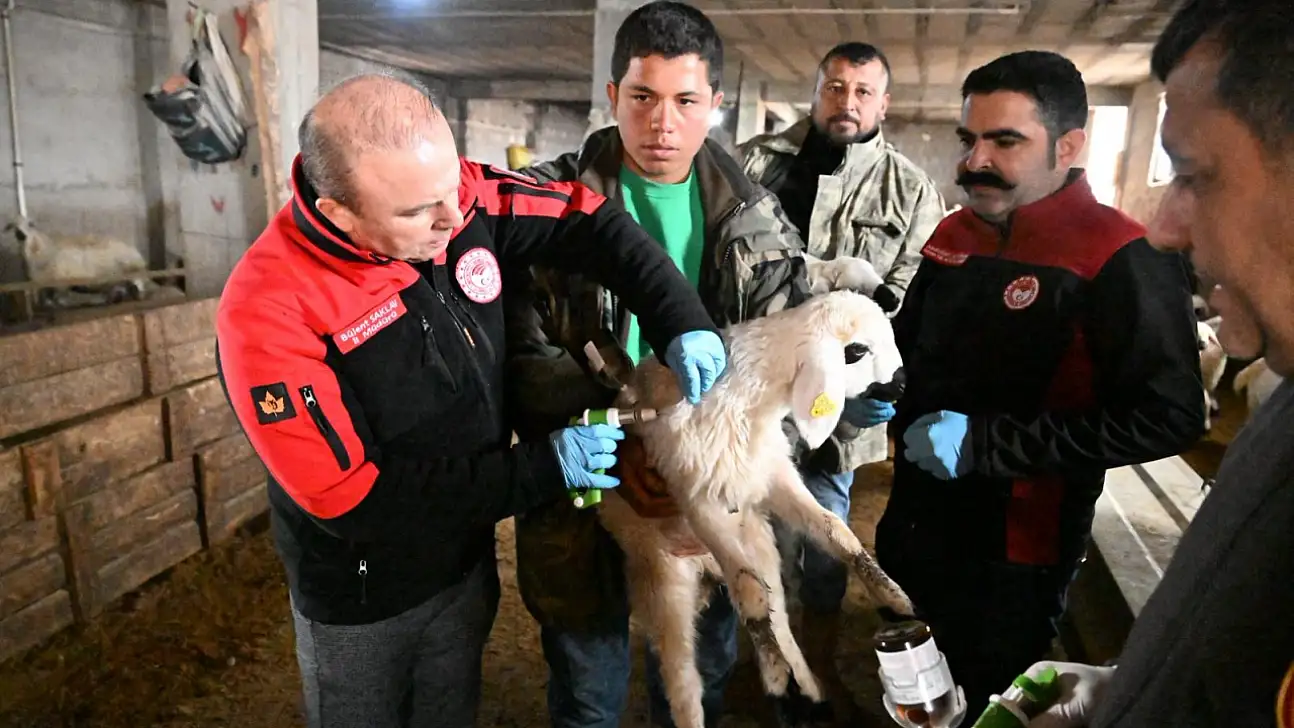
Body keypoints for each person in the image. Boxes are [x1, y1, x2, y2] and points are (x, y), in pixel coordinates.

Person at [214, 71, 729, 728]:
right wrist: (543, 468)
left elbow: (585, 220)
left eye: (449, 190)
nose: (455, 221)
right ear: (336, 211)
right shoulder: (271, 310)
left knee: (451, 705)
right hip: (366, 590)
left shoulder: (457, 199)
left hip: (466, 553)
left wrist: (679, 316)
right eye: (416, 212)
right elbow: (353, 500)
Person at [502, 4, 825, 727]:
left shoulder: (759, 225)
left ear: (716, 104)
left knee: (693, 688)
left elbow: (789, 379)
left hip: (707, 510)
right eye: (642, 97)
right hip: (583, 501)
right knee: (587, 695)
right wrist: (627, 464)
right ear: (612, 96)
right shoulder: (543, 209)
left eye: (685, 101)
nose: (662, 123)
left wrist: (715, 496)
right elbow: (522, 365)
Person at [861, 50, 1206, 720]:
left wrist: (987, 445)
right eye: (970, 139)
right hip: (914, 521)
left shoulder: (1119, 255)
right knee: (916, 690)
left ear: (1070, 145)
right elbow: (909, 341)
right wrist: (878, 383)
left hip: (1016, 552)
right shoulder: (952, 234)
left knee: (994, 698)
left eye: (1005, 141)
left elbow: (1171, 415)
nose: (975, 160)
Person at [1018, 1, 1294, 726]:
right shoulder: (1283, 409)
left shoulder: (1119, 256)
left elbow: (1164, 414)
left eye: (1194, 176)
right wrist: (1133, 687)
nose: (1166, 229)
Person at [737, 41, 946, 715]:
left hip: (838, 411)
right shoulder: (752, 163)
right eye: (834, 87)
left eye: (862, 91)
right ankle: (759, 669)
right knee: (738, 539)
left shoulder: (909, 190)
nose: (846, 102)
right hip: (753, 398)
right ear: (816, 90)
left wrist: (866, 385)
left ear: (884, 102)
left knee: (826, 552)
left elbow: (912, 293)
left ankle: (819, 673)